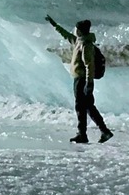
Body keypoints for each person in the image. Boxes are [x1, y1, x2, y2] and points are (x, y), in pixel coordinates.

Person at [45, 15, 113, 144]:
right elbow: (65, 35)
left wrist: (89, 83)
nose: (74, 31)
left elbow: (89, 65)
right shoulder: (79, 41)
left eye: (76, 29)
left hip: (82, 80)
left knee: (82, 106)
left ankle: (90, 133)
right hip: (80, 79)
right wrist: (54, 25)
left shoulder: (86, 45)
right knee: (87, 106)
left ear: (80, 31)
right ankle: (98, 132)